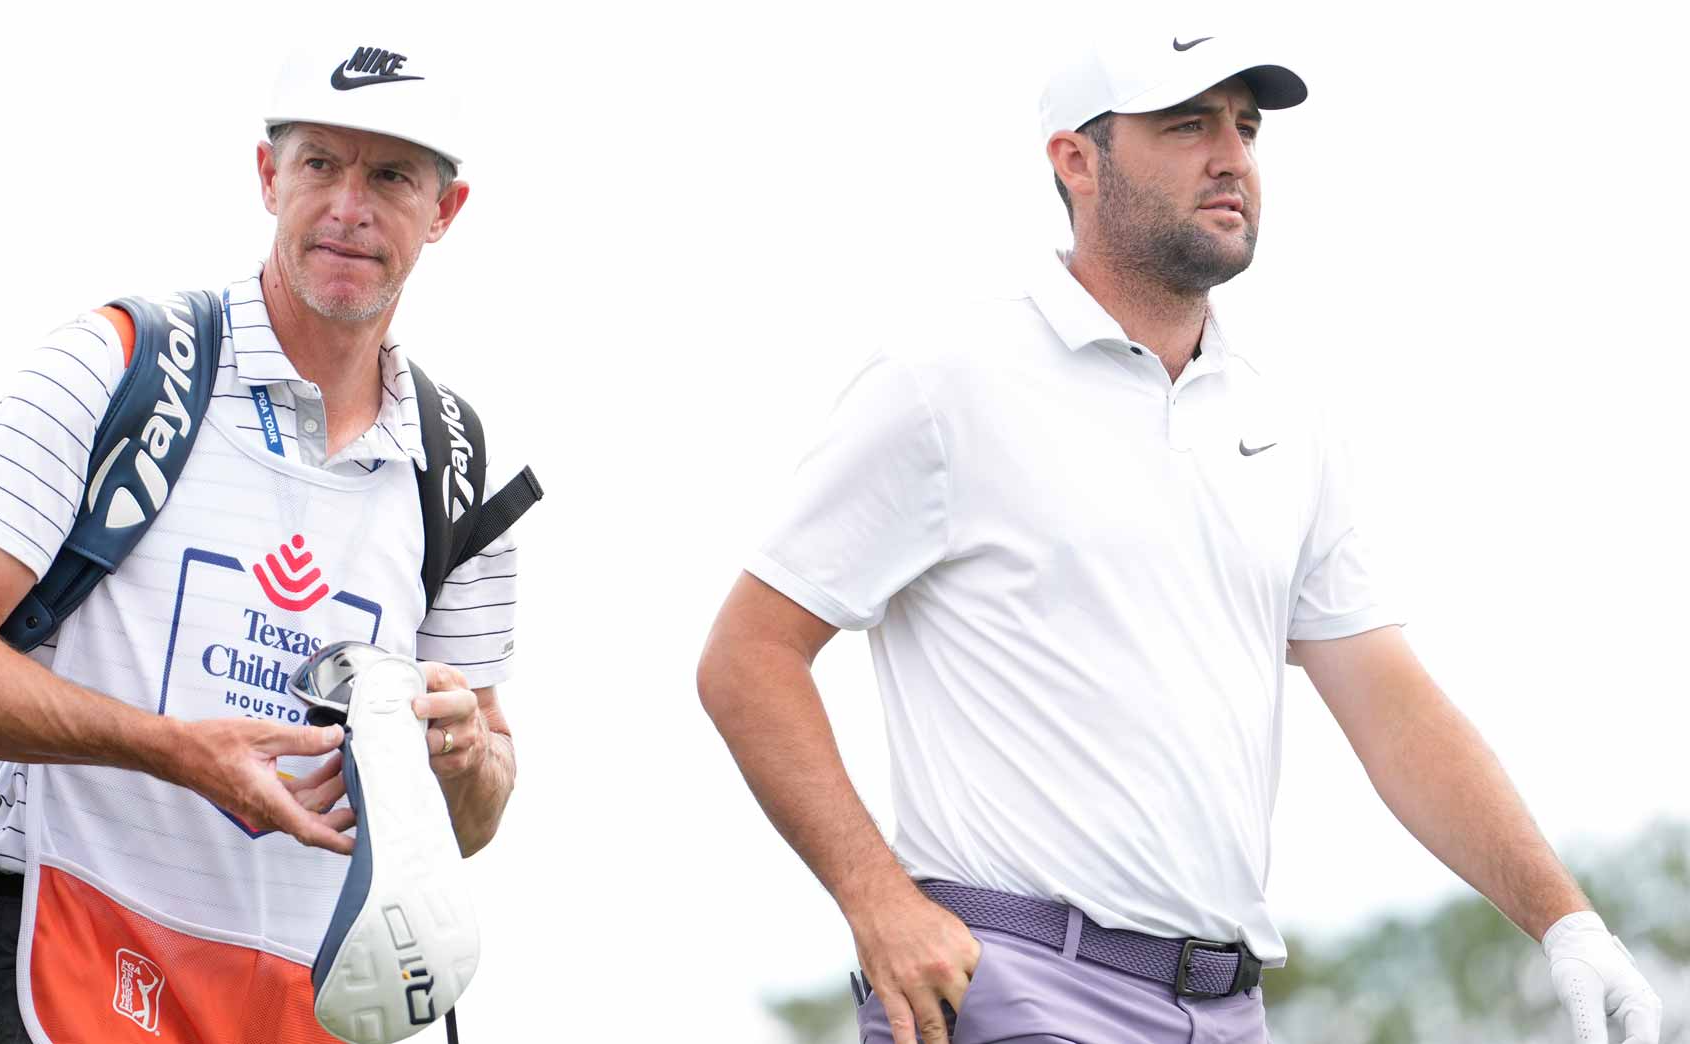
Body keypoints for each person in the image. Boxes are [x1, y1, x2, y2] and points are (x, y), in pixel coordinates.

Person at [696, 27, 1663, 1044]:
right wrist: (875, 899)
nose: (1230, 158)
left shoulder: (1285, 418)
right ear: (1075, 159)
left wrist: (1564, 920)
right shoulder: (945, 379)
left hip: (1227, 1011)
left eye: (1243, 129)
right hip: (1010, 984)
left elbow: (1388, 704)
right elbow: (748, 656)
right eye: (1185, 125)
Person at [0, 40, 524, 1044]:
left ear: (445, 211)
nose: (348, 205)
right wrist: (178, 752)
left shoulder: (460, 461)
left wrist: (466, 757)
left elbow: (469, 823)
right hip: (59, 963)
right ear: (268, 177)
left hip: (307, 1007)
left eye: (390, 175)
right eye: (318, 164)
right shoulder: (118, 362)